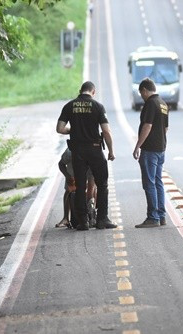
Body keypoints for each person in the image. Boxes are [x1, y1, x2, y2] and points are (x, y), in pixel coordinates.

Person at [56, 81, 116, 230]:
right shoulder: (97, 106)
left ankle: (83, 222)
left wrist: (74, 130)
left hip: (78, 151)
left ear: (80, 91)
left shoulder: (69, 106)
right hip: (95, 149)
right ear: (93, 92)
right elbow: (106, 131)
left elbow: (60, 128)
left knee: (80, 185)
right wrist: (110, 151)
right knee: (102, 184)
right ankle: (102, 219)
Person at [133, 78, 169, 228]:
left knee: (149, 183)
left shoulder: (150, 103)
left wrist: (137, 146)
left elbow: (147, 126)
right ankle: (161, 215)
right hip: (161, 148)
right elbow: (166, 128)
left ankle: (152, 217)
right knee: (158, 182)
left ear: (145, 90)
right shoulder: (163, 103)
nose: (142, 96)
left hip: (150, 150)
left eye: (141, 93)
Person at [56, 148, 97, 228]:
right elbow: (61, 164)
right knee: (69, 191)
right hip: (72, 173)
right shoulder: (69, 152)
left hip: (90, 171)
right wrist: (67, 176)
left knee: (92, 189)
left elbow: (91, 188)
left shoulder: (94, 154)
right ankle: (65, 218)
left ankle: (92, 215)